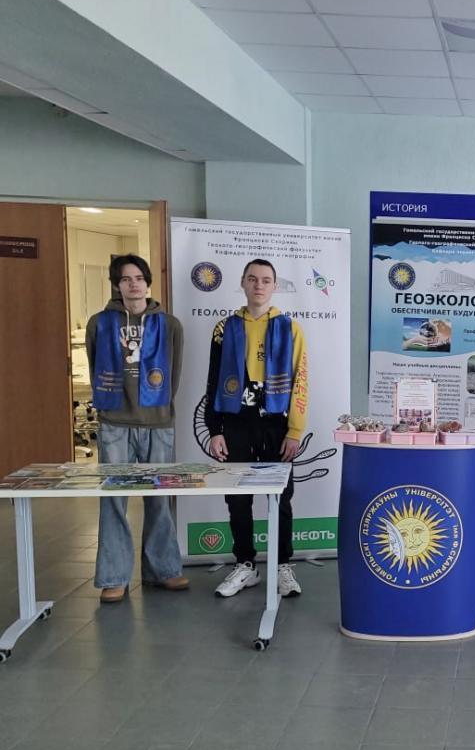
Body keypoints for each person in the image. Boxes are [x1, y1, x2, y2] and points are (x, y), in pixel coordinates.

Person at [86, 254, 188, 603]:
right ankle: (114, 577)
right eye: (126, 279)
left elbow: (173, 374)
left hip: (158, 422)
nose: (134, 284)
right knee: (113, 499)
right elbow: (95, 367)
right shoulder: (99, 323)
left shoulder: (169, 325)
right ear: (117, 285)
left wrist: (161, 408)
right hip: (115, 423)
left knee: (160, 498)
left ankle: (164, 570)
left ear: (147, 283)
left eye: (139, 278)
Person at [204, 258, 308, 598]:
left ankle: (282, 565)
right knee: (238, 496)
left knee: (281, 497)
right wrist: (215, 428)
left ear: (274, 286)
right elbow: (214, 379)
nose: (259, 285)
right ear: (243, 283)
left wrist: (294, 431)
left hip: (276, 424)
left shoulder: (289, 328)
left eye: (265, 280)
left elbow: (300, 379)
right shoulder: (225, 328)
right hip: (236, 421)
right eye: (252, 279)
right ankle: (245, 564)